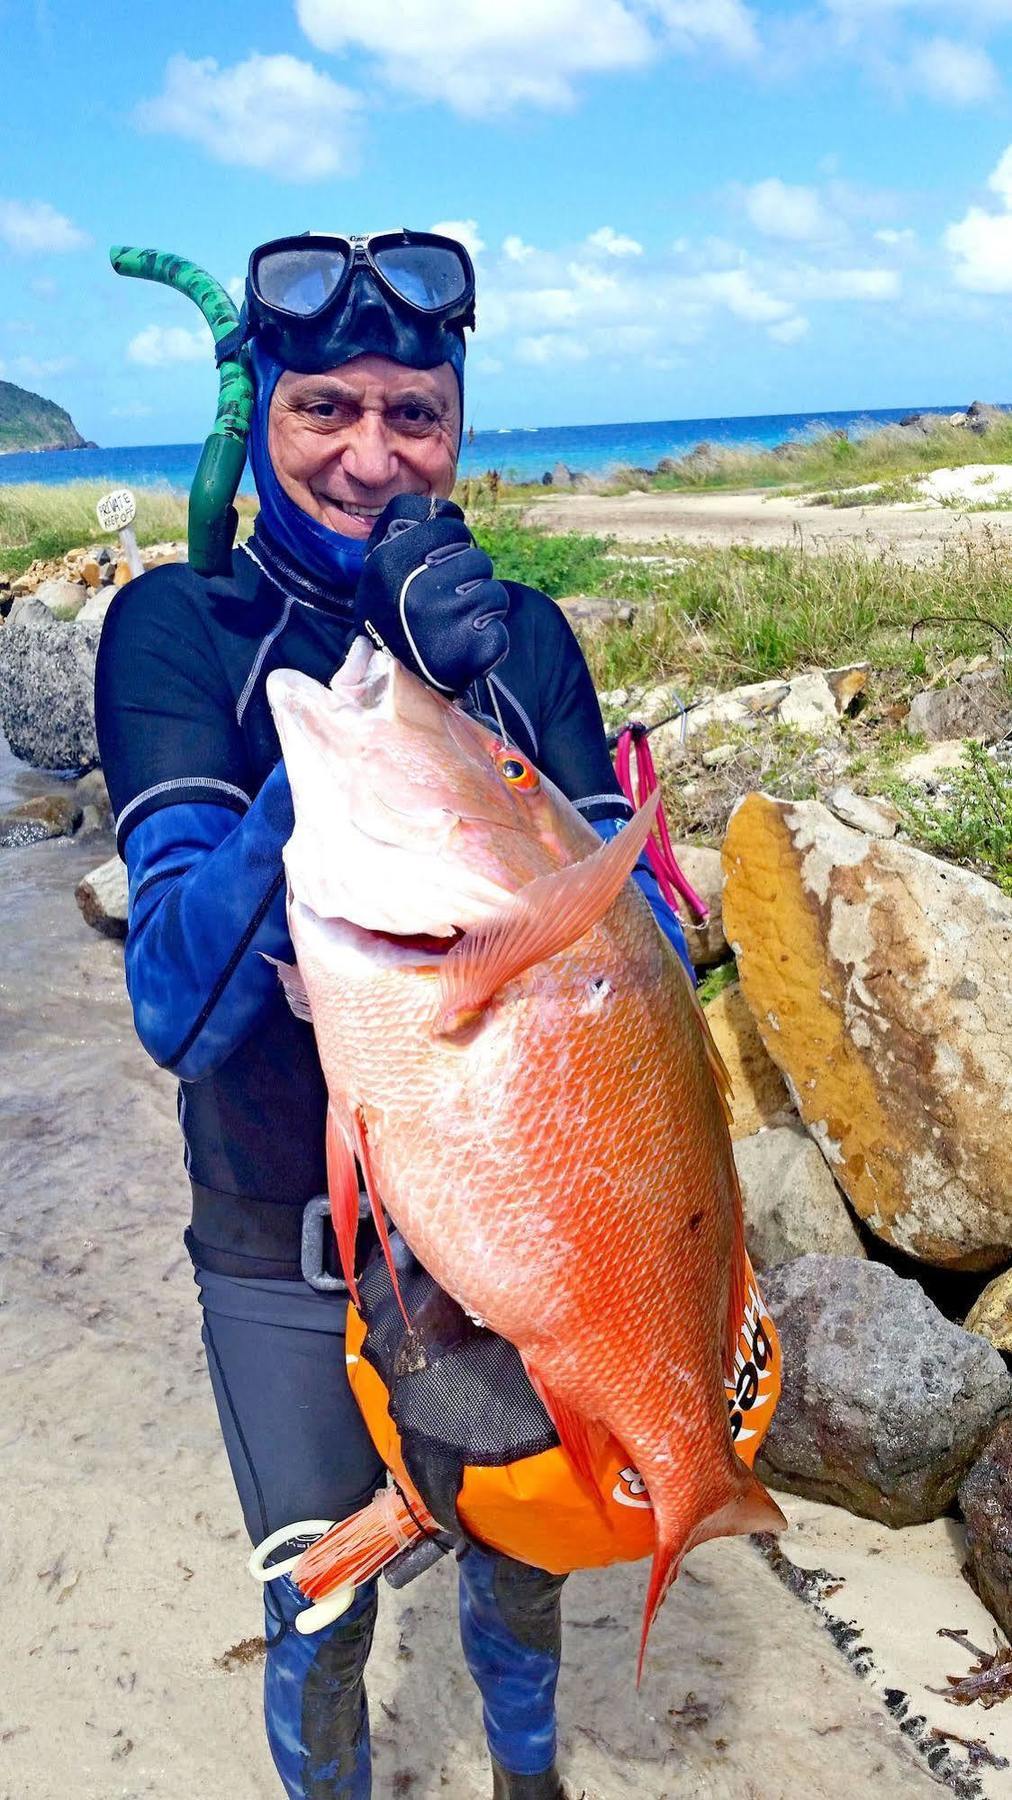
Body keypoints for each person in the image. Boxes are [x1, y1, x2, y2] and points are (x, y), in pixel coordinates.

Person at [95, 229, 693, 1800]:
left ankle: (531, 1782)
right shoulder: (180, 631)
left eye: (413, 413)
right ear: (266, 418)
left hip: (506, 1237)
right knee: (326, 1601)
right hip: (282, 1241)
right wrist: (369, 721)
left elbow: (647, 970)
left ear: (459, 425)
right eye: (326, 412)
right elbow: (177, 996)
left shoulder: (527, 639)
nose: (373, 454)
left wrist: (475, 707)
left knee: (519, 1567)